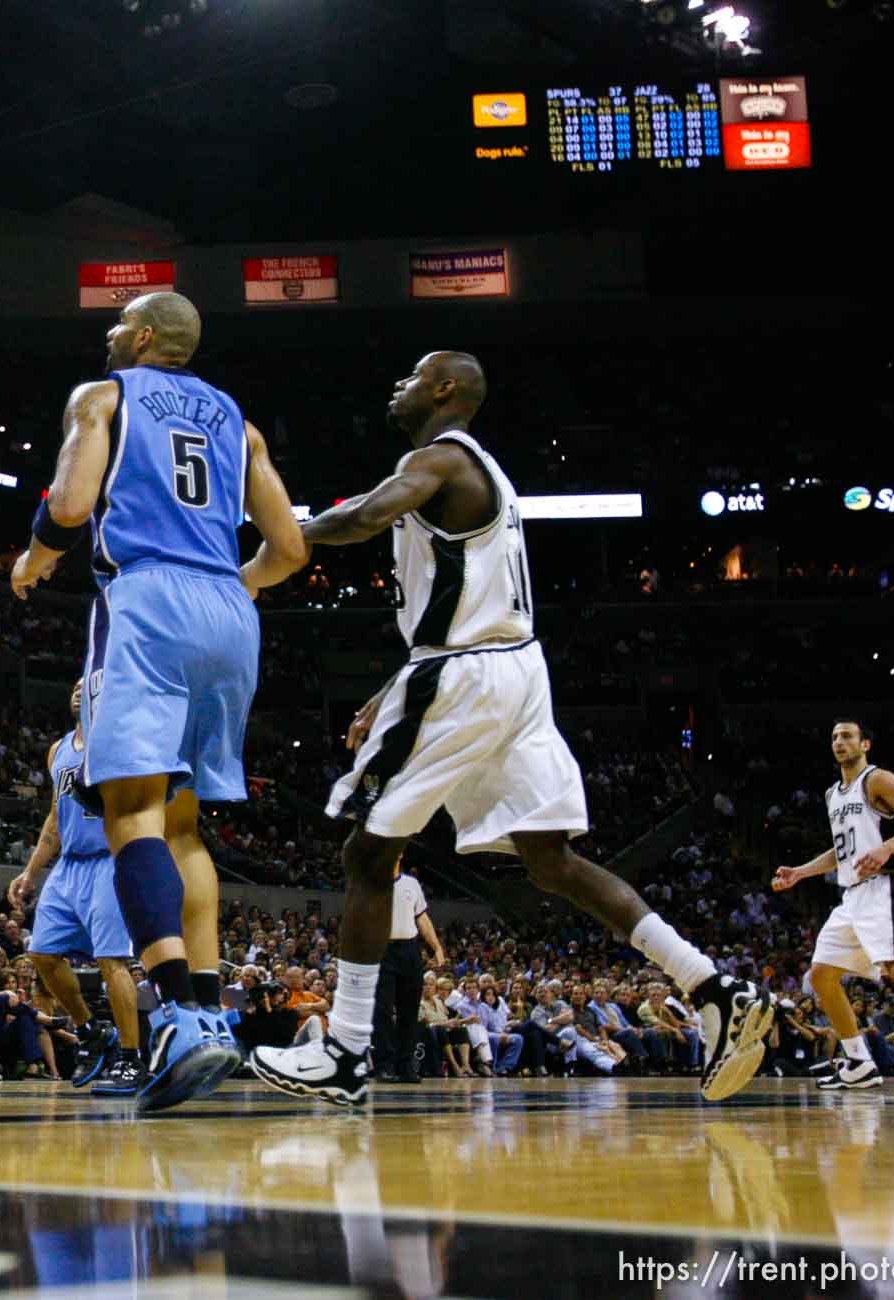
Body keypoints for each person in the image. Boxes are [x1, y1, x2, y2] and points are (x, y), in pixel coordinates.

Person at [253, 352, 770, 1107]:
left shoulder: (439, 459)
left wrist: (281, 534)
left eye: (411, 374)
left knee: (367, 853)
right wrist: (393, 685)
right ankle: (711, 985)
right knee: (551, 861)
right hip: (514, 671)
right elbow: (464, 607)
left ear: (444, 389)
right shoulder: (483, 471)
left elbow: (365, 515)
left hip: (466, 674)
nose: (395, 383)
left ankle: (344, 1052)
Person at [8, 291, 308, 1112]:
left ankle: (174, 1011)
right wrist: (232, 589)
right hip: (230, 613)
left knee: (130, 817)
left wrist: (34, 560)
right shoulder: (238, 422)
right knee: (184, 826)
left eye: (115, 325)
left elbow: (70, 506)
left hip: (145, 602)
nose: (104, 336)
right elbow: (288, 548)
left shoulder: (102, 395)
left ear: (141, 337)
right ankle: (208, 1011)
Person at [772, 718, 894, 1091]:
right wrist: (801, 872)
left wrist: (888, 847)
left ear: (865, 745)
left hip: (887, 887)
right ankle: (859, 1062)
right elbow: (843, 851)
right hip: (853, 895)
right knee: (821, 974)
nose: (839, 742)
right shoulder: (833, 795)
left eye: (847, 737)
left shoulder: (878, 780)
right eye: (834, 737)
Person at [9, 680, 144, 1098]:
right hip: (67, 867)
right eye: (73, 687)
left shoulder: (118, 744)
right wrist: (31, 872)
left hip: (108, 859)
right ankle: (90, 1030)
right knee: (41, 954)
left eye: (86, 687)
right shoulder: (58, 750)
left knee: (111, 960)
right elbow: (54, 818)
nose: (76, 691)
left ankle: (130, 1057)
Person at [374, 860, 445, 1084]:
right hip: (381, 948)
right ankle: (384, 1065)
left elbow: (422, 918)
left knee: (409, 1011)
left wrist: (436, 947)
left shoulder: (411, 883)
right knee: (383, 1011)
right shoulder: (372, 880)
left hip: (409, 949)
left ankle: (406, 1066)